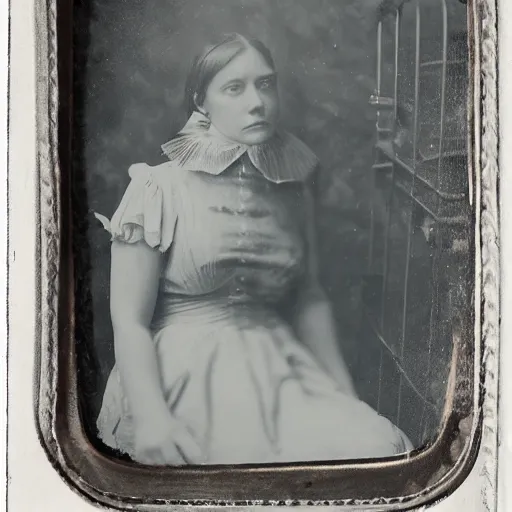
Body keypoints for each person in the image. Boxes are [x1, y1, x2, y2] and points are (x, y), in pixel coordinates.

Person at [95, 32, 412, 465]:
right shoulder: (158, 188)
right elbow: (129, 320)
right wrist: (152, 418)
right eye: (234, 87)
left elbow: (308, 297)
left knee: (377, 450)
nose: (257, 102)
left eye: (266, 84)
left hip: (280, 371)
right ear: (201, 101)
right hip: (182, 374)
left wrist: (345, 396)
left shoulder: (290, 190)